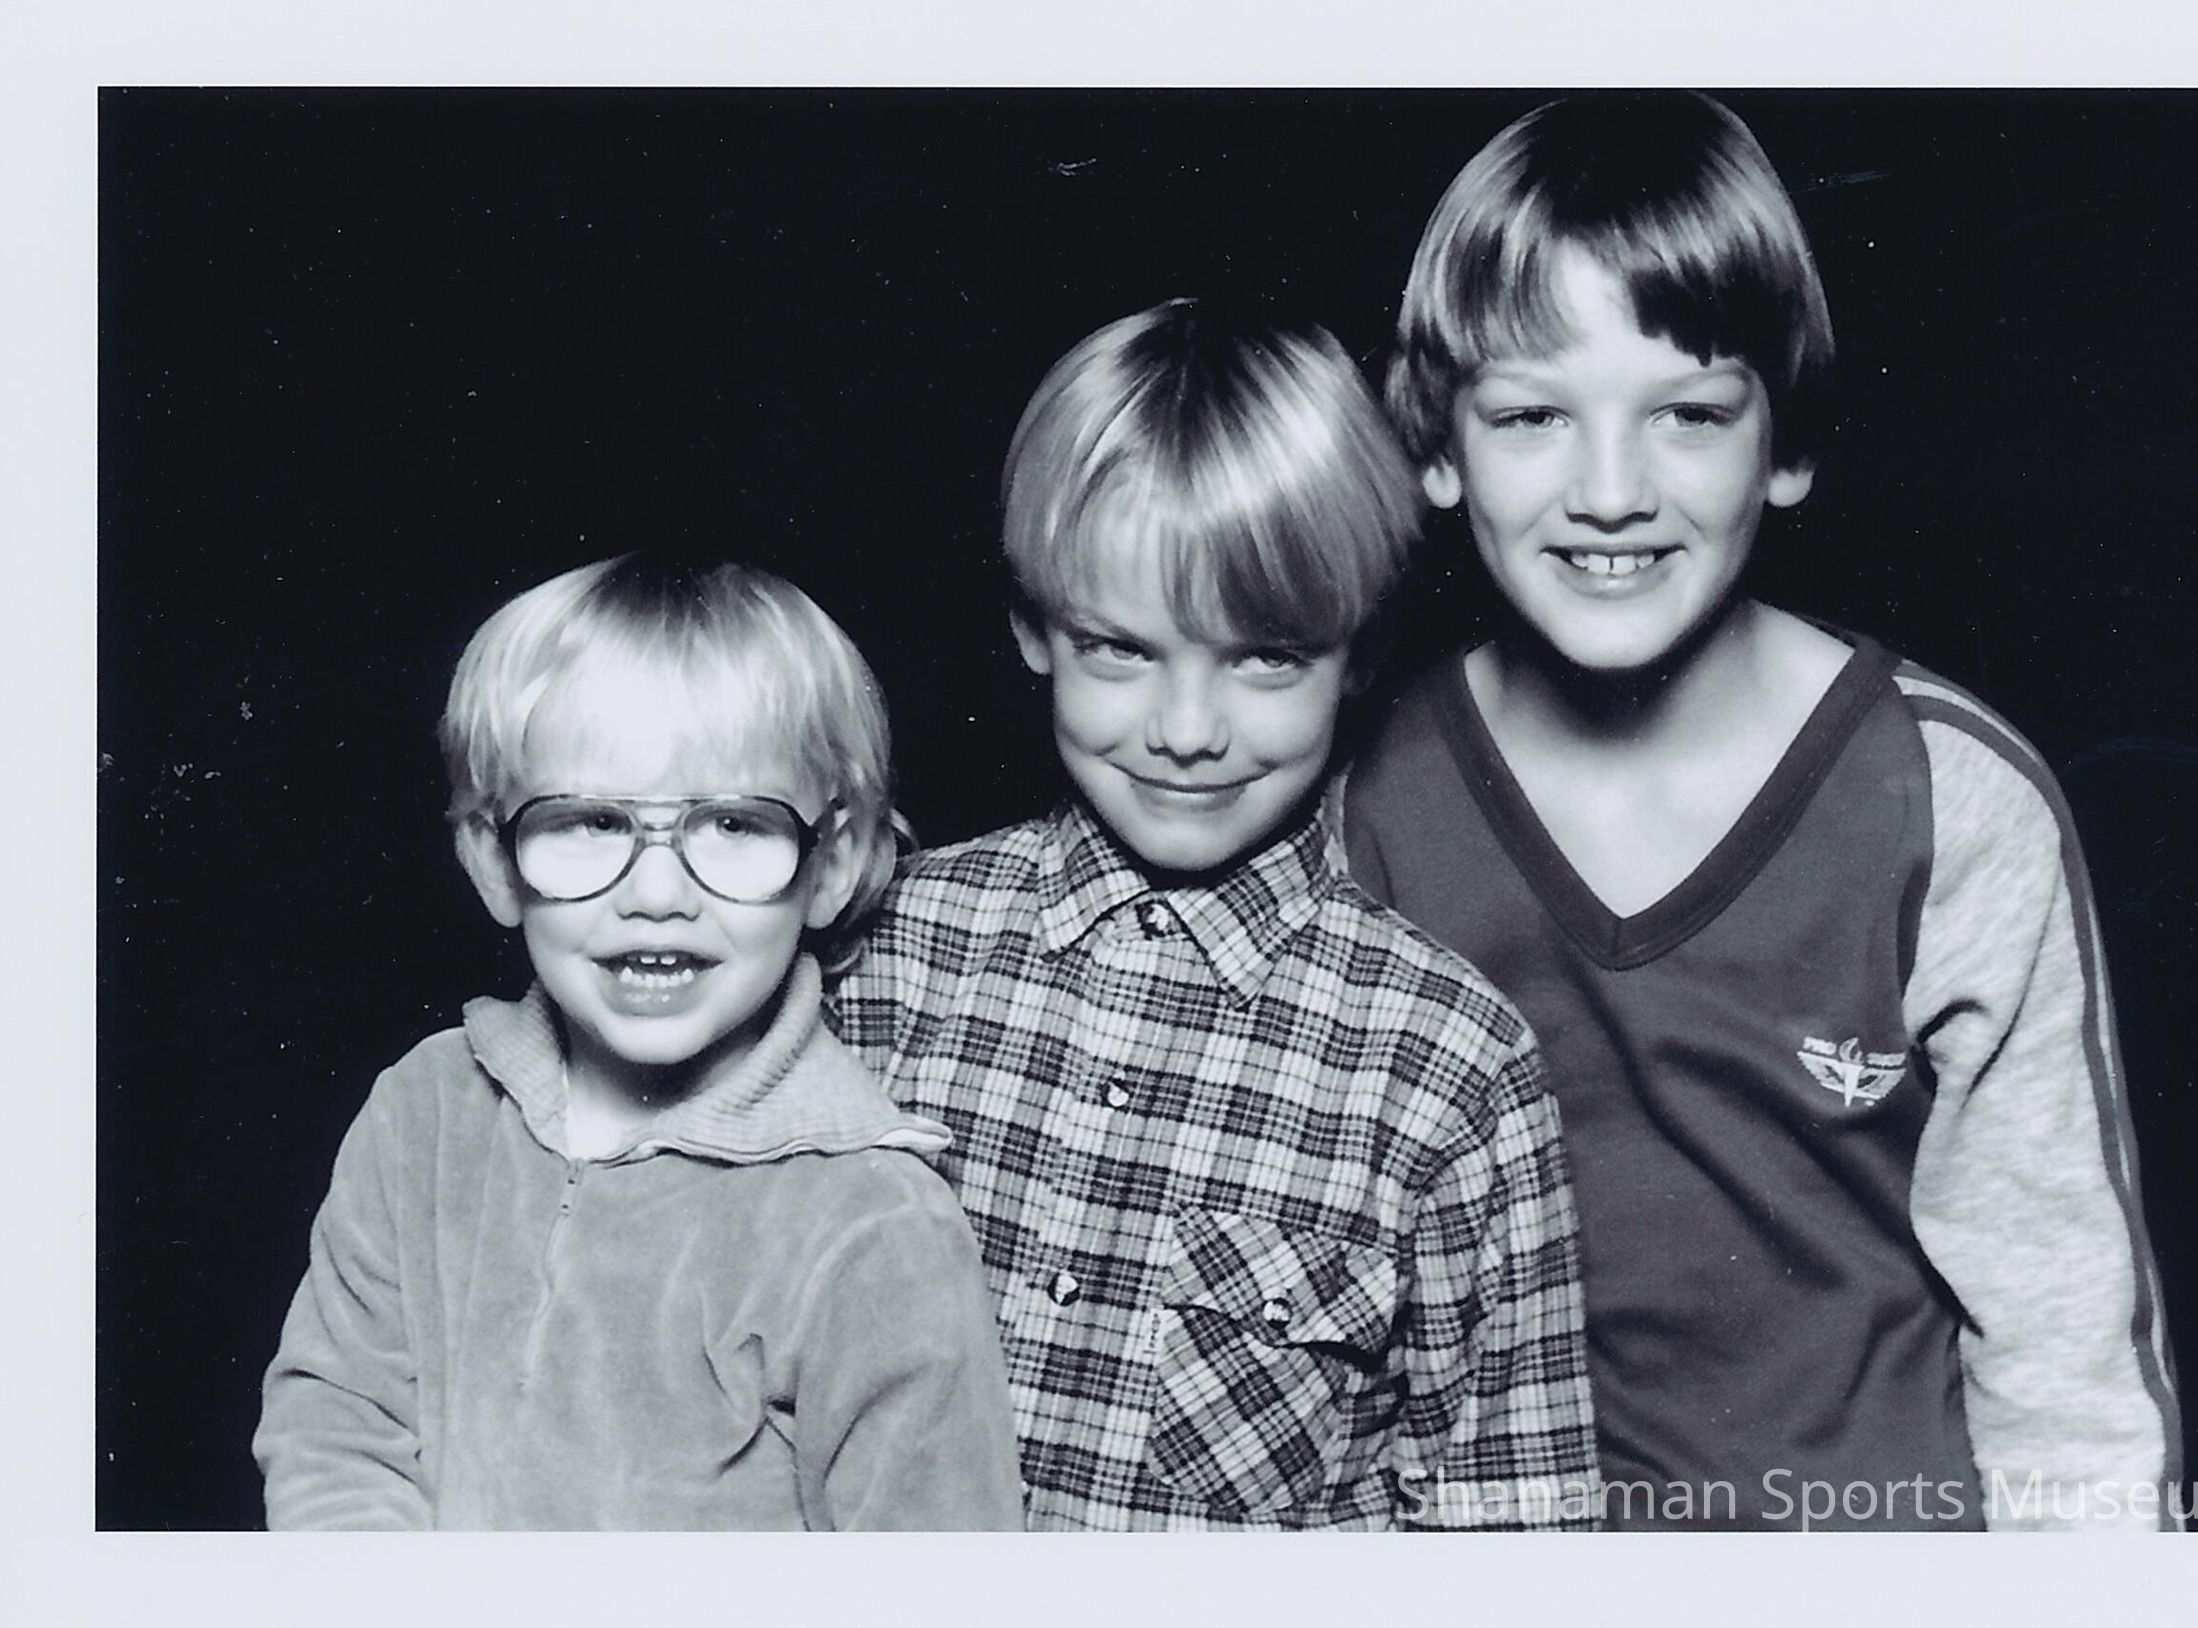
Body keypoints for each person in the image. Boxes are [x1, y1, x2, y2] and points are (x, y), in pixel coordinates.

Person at [1343, 93, 2181, 1530]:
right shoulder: (1363, 798)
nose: (1610, 492)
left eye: (1687, 414)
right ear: (1436, 445)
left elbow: (2064, 1354)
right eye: (1532, 415)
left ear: (1784, 445)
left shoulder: (1944, 797)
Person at [827, 299, 1601, 1531]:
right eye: (1120, 648)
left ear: (1360, 650)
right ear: (1032, 628)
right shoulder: (870, 955)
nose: (1186, 731)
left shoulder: (1449, 1065)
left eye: (1263, 656)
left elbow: (1510, 1522)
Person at [254, 555, 1022, 1530]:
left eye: (735, 822)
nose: (657, 893)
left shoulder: (874, 1224)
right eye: (590, 820)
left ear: (832, 866)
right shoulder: (426, 1111)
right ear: (492, 860)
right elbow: (339, 1423)